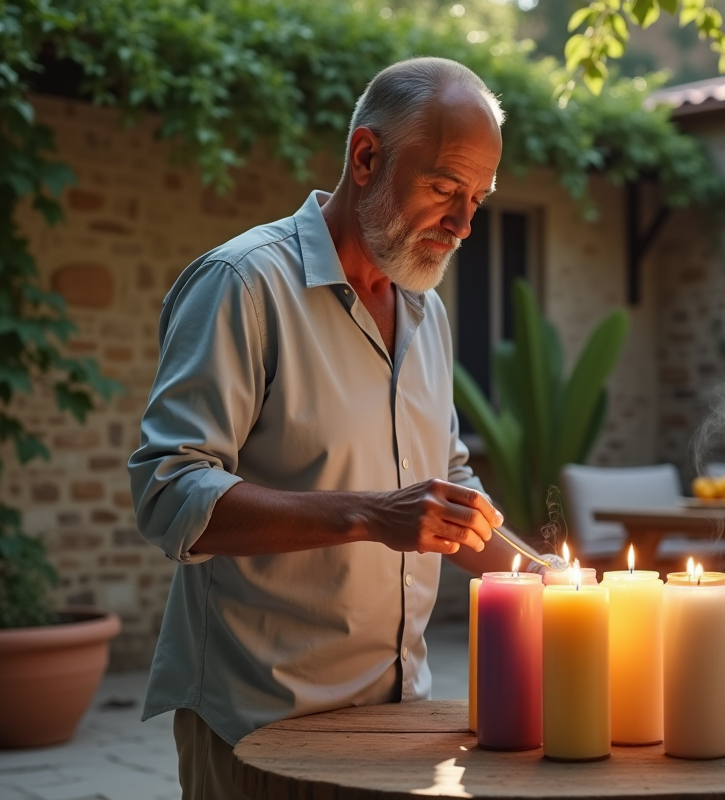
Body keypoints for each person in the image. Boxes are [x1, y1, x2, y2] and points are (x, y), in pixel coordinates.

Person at [128, 57, 548, 800]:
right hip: (260, 725)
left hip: (401, 722)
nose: (463, 223)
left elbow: (447, 482)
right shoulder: (243, 284)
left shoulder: (426, 308)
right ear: (365, 157)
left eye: (477, 199)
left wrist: (553, 585)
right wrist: (367, 513)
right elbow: (169, 495)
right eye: (445, 187)